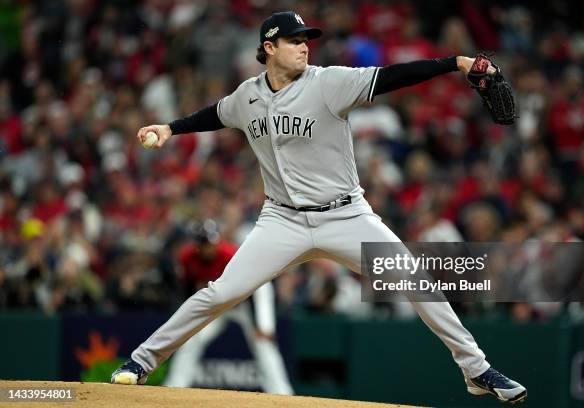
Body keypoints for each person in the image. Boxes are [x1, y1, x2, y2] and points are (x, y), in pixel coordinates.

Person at [112, 11, 527, 404]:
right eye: (295, 41)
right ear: (269, 47)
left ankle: (477, 370)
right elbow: (216, 115)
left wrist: (455, 62)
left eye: (306, 40)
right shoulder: (247, 96)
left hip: (345, 216)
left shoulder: (329, 83)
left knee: (417, 282)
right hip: (282, 221)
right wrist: (170, 128)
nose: (305, 46)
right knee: (220, 293)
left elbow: (392, 77)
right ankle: (142, 361)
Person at [163, 219, 293, 395]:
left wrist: (262, 325)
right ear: (197, 244)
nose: (210, 246)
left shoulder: (229, 253)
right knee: (191, 338)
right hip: (220, 303)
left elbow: (258, 286)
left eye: (212, 242)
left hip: (249, 298)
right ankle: (174, 386)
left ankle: (282, 393)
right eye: (205, 243)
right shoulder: (188, 258)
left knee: (263, 343)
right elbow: (187, 288)